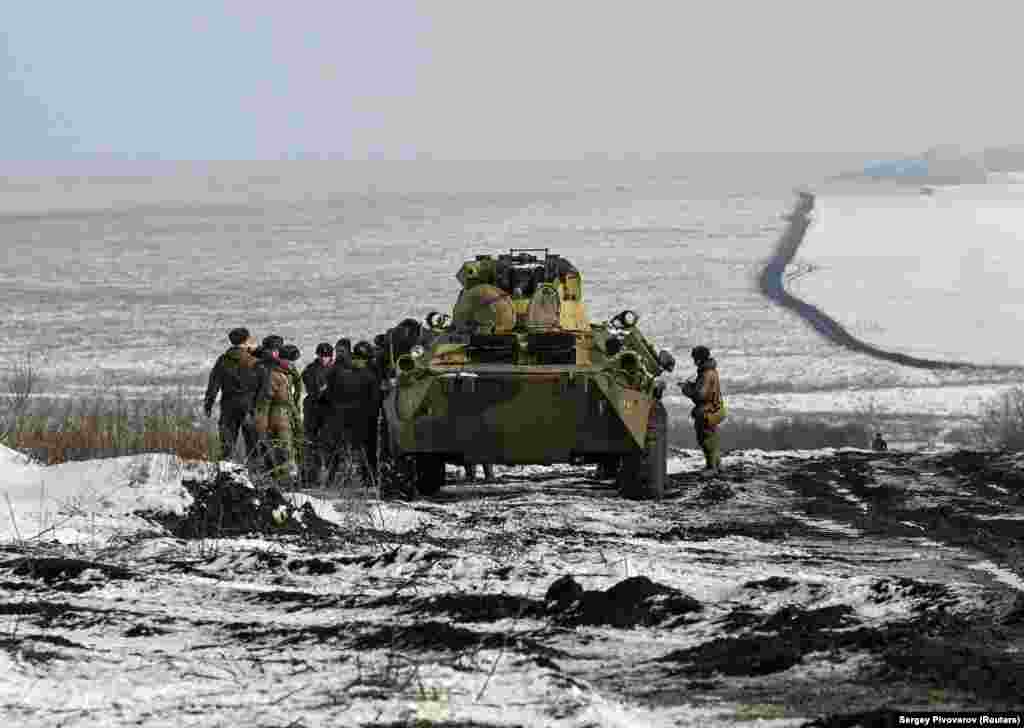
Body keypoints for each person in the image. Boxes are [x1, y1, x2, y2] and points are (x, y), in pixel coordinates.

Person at [324, 342, 380, 487]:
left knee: (339, 449)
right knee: (366, 451)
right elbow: (375, 400)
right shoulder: (370, 375)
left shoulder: (338, 372)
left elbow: (328, 395)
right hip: (363, 417)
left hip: (339, 416)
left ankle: (333, 480)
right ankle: (368, 479)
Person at [203, 327, 261, 462]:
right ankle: (254, 475)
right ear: (247, 340)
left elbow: (213, 384)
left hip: (228, 405)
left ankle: (225, 472)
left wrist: (208, 403)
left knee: (227, 445)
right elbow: (262, 386)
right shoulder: (253, 361)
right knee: (253, 444)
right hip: (249, 406)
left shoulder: (223, 360)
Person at [253, 335, 297, 482]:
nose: (278, 353)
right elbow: (265, 399)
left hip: (281, 411)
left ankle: (283, 476)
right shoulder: (266, 368)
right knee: (280, 447)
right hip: (272, 412)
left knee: (283, 446)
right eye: (275, 350)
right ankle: (281, 477)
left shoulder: (281, 368)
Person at [679, 345, 724, 474]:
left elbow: (700, 395)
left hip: (706, 411)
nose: (694, 361)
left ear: (699, 358)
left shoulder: (706, 374)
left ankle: (711, 468)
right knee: (712, 437)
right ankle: (717, 465)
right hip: (714, 409)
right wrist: (692, 386)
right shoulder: (711, 371)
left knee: (705, 439)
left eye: (695, 358)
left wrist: (686, 388)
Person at [302, 342, 335, 485]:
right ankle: (311, 477)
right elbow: (311, 388)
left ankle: (330, 476)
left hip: (329, 410)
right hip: (313, 409)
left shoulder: (336, 369)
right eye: (321, 356)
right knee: (311, 443)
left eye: (326, 356)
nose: (324, 359)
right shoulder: (310, 370)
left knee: (329, 443)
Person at [279, 344, 305, 474]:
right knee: (289, 441)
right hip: (285, 409)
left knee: (295, 439)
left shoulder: (288, 369)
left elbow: (297, 389)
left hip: (290, 408)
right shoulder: (286, 370)